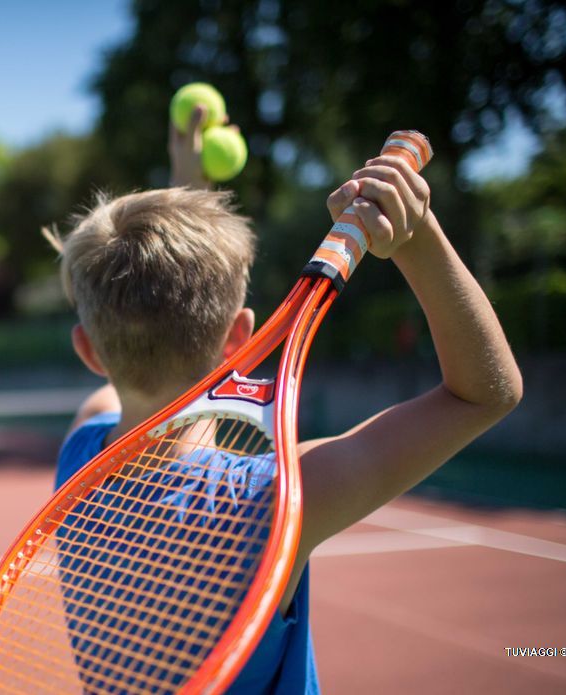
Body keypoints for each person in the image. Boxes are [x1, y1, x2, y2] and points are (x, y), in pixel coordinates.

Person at [44, 106, 523, 693]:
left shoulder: (77, 459)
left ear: (88, 351)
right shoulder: (278, 501)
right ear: (240, 340)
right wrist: (417, 239)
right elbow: (486, 393)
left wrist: (184, 183)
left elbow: (143, 327)